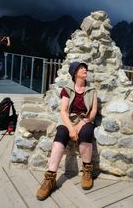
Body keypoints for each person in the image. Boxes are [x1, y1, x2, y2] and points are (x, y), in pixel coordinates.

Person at [36, 61, 98, 201]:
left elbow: (93, 112)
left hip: (85, 120)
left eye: (85, 68)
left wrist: (81, 123)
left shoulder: (92, 89)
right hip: (68, 119)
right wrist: (71, 128)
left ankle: (87, 170)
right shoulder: (67, 89)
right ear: (74, 73)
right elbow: (63, 111)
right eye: (81, 68)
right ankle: (50, 177)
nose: (85, 70)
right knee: (61, 133)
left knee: (87, 132)